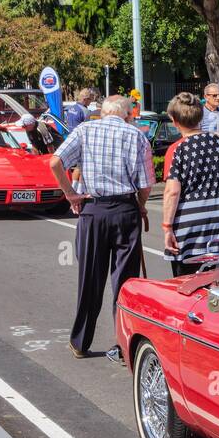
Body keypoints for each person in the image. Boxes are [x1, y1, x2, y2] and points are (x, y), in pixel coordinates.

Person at [47, 95, 151, 361]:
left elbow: (55, 162)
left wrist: (70, 193)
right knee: (126, 281)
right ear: (127, 114)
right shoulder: (136, 135)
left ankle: (80, 341)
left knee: (90, 278)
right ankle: (124, 344)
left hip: (93, 209)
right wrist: (140, 206)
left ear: (102, 113)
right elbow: (145, 183)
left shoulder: (84, 129)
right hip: (125, 209)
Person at [161, 91, 219, 276]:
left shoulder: (179, 149)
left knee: (188, 282)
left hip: (192, 228)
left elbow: (172, 192)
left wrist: (167, 227)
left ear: (175, 121)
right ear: (200, 116)